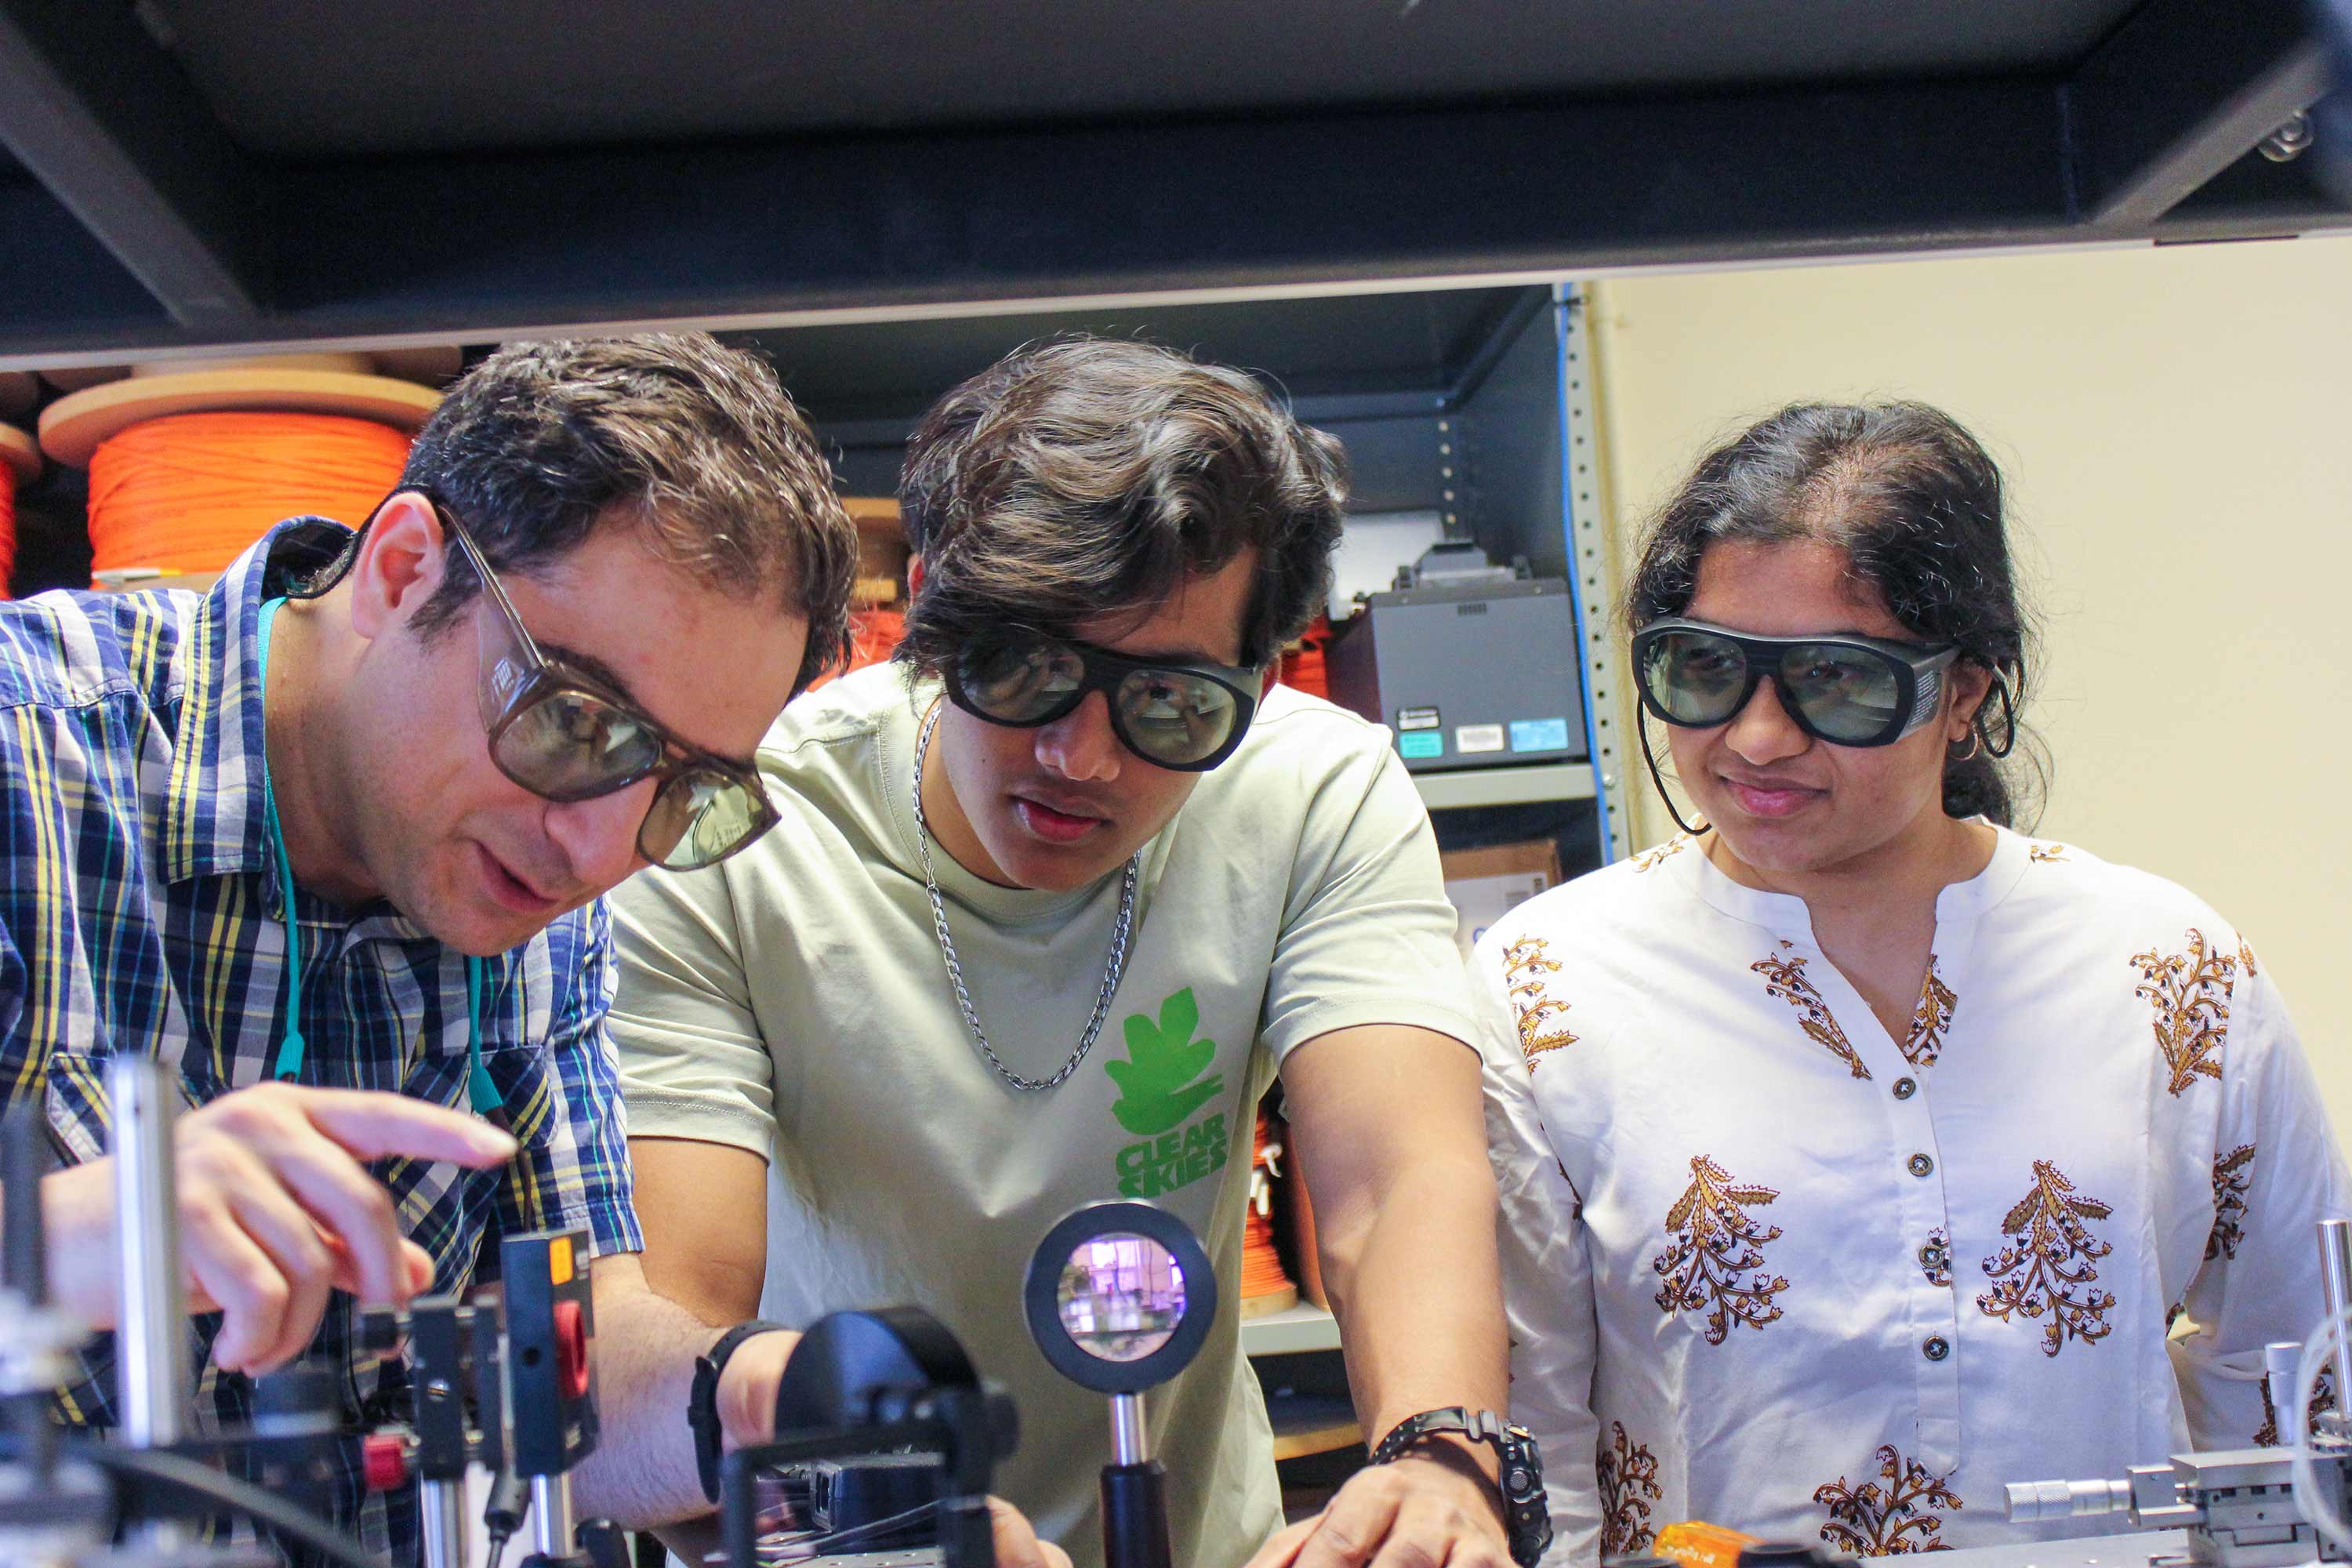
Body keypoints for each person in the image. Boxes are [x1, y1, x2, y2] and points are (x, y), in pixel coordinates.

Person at [0, 333, 1062, 1566]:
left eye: (685, 790)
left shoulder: (538, 885)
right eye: (573, 722)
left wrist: (756, 1407)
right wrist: (58, 1240)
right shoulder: (31, 760)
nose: (601, 850)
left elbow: (566, 1349)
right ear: (403, 570)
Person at [609, 337, 1539, 1568]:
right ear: (932, 612)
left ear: (1260, 681)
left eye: (1172, 705)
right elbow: (678, 1318)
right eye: (1026, 667)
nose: (1084, 760)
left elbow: (1393, 1180)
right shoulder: (733, 829)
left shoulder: (1315, 789)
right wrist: (850, 1518)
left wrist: (1439, 1458)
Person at [1470, 401, 2350, 1561]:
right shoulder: (1551, 985)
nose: (1759, 735)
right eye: (1704, 669)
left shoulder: (2168, 971)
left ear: (1969, 694)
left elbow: (2295, 1369)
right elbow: (1533, 1417)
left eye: (1838, 682)